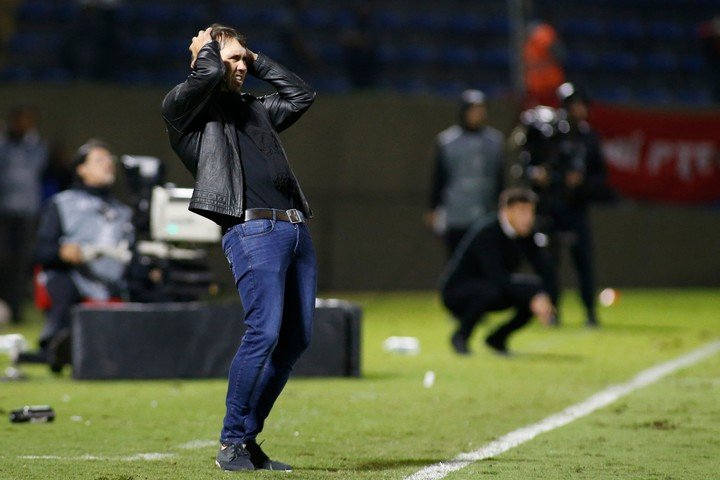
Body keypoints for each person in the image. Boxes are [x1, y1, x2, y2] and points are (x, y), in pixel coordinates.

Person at [161, 24, 316, 472]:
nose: (242, 67)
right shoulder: (184, 111)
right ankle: (231, 442)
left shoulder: (256, 110)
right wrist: (207, 49)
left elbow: (301, 95)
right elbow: (206, 77)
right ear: (204, 60)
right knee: (263, 333)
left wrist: (251, 53)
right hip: (253, 233)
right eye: (232, 60)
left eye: (244, 59)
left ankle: (247, 440)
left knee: (295, 340)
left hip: (295, 230)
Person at [21, 139, 133, 372]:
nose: (108, 165)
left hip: (113, 282)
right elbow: (39, 252)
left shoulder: (123, 211)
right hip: (73, 279)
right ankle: (57, 342)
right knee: (63, 282)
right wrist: (63, 252)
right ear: (81, 168)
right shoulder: (62, 203)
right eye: (99, 160)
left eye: (109, 160)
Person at [522, 83, 609, 327]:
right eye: (574, 105)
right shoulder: (547, 133)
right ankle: (552, 312)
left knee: (583, 261)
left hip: (576, 206)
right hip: (550, 206)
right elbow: (527, 163)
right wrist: (538, 175)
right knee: (549, 264)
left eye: (582, 105)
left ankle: (590, 312)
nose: (579, 110)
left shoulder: (589, 137)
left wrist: (581, 182)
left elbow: (600, 176)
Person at [440, 188, 556, 355]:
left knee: (535, 290)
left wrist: (543, 296)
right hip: (457, 293)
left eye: (531, 212)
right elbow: (498, 277)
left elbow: (545, 270)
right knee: (492, 291)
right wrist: (534, 295)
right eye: (522, 211)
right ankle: (461, 336)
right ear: (506, 211)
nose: (528, 218)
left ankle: (497, 339)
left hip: (493, 287)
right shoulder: (487, 232)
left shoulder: (526, 235)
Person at [426, 89, 505, 256]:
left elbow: (499, 178)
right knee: (457, 258)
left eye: (481, 110)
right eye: (473, 110)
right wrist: (433, 208)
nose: (477, 114)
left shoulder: (494, 141)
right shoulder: (447, 141)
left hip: (485, 211)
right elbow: (439, 177)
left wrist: (501, 207)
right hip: (456, 212)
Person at [0, 104, 48, 323]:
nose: (22, 125)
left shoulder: (35, 146)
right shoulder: (5, 145)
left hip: (28, 212)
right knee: (4, 260)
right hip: (4, 211)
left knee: (21, 263)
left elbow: (37, 165)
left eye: (27, 121)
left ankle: (16, 309)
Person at [523, 20, 566, 107]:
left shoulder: (544, 35)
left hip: (549, 83)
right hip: (538, 85)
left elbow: (559, 53)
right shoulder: (529, 44)